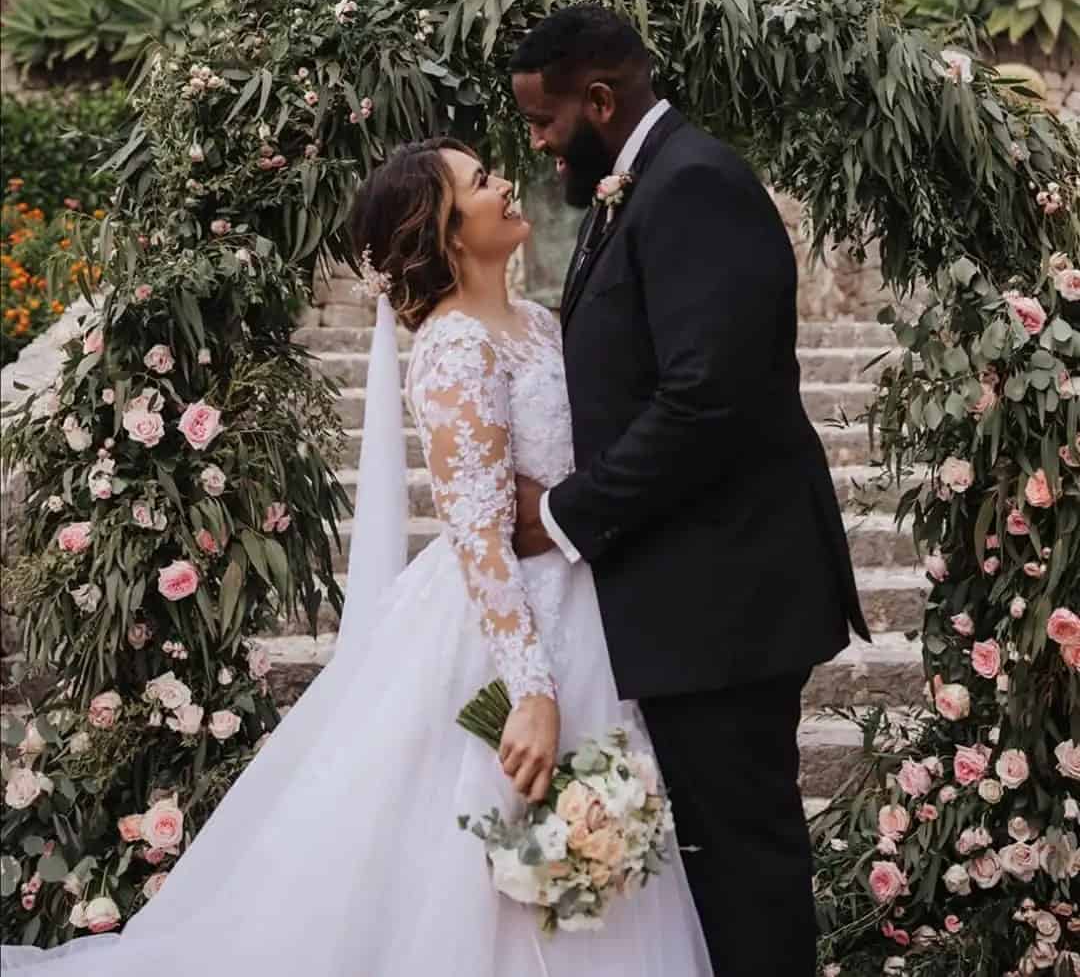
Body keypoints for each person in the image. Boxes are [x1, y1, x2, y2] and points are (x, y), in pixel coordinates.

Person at [2, 137, 711, 977]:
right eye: (481, 182)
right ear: (445, 231)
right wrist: (530, 691)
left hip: (583, 598)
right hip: (508, 627)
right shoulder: (453, 347)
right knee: (487, 852)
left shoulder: (539, 323)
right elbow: (478, 532)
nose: (505, 185)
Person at [510, 5, 870, 977]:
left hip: (728, 602)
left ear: (598, 100)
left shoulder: (696, 184)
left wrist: (562, 513)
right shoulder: (644, 187)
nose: (539, 144)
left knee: (744, 869)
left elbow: (708, 399)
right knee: (711, 870)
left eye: (545, 122)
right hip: (688, 598)